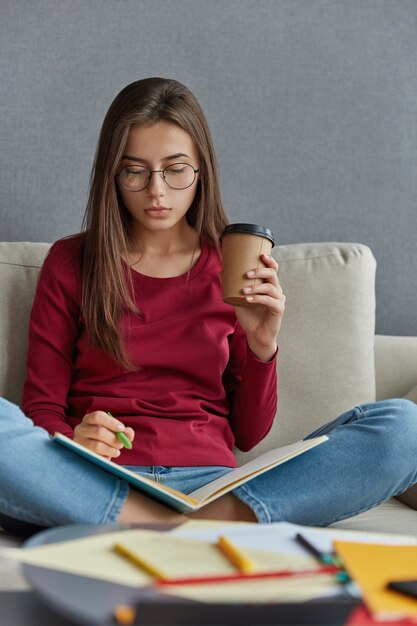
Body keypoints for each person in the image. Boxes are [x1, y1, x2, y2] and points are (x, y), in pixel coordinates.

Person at [1, 77, 417, 535]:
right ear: (112, 175)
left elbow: (248, 434)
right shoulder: (71, 262)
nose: (156, 191)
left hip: (210, 485)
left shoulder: (231, 264)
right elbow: (40, 408)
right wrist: (70, 443)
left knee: (405, 427)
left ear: (201, 171)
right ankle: (178, 527)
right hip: (97, 479)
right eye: (134, 171)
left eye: (175, 169)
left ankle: (174, 523)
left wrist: (263, 345)